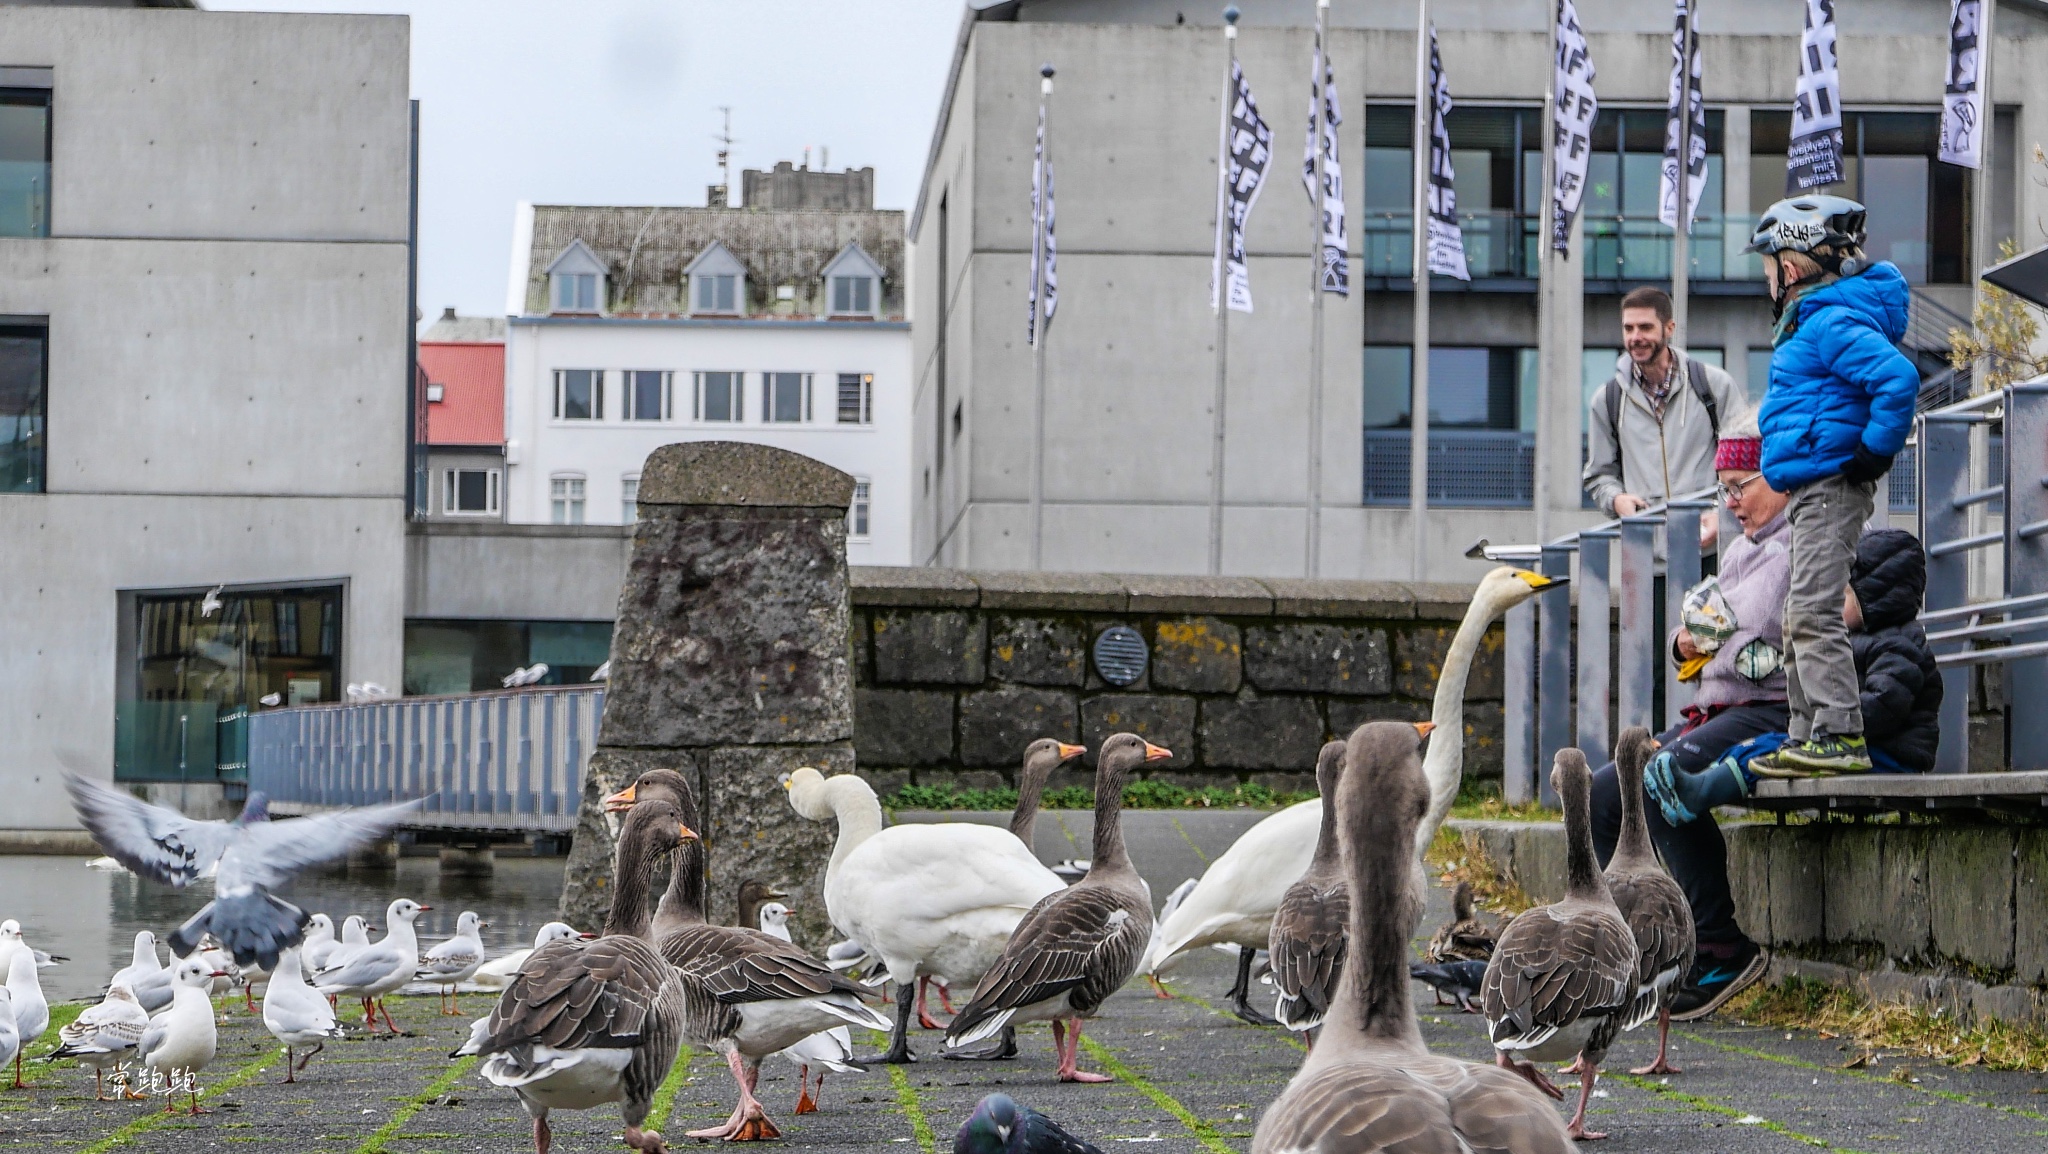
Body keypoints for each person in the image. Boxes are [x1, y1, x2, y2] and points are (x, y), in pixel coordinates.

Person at [1590, 426, 1787, 1023]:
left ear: (1776, 478)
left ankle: (1721, 946)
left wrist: (1698, 633)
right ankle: (1641, 943)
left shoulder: (1796, 544)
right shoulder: (1740, 549)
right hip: (1718, 705)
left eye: (1739, 487)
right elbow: (1695, 641)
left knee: (1661, 777)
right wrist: (1693, 637)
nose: (1729, 502)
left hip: (1770, 707)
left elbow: (1732, 622)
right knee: (1607, 789)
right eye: (1722, 489)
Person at [1741, 196, 1920, 776]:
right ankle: (1803, 734)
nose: (1767, 281)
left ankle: (1839, 734)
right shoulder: (1814, 324)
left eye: (1769, 270)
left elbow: (1899, 378)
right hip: (1811, 489)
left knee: (1814, 613)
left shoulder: (1827, 322)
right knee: (1799, 614)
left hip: (1832, 485)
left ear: (1789, 271)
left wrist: (1871, 454)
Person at [1652, 529, 1941, 809]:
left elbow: (1885, 705)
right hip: (1856, 747)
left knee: (1767, 749)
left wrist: (1827, 724)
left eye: (1842, 595)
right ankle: (1695, 792)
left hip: (1890, 756)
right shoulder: (1853, 638)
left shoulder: (1899, 645)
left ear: (1876, 598)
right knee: (1761, 746)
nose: (1831, 605)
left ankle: (1699, 794)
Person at [1582, 285, 1747, 550]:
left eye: (1645, 327)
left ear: (1669, 328)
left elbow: (1745, 464)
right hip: (1646, 559)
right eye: (1628, 328)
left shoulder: (1713, 385)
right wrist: (1616, 500)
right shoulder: (1607, 400)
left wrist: (1722, 513)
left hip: (1713, 550)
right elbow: (1598, 475)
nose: (1635, 337)